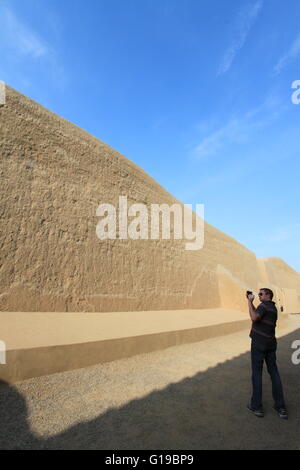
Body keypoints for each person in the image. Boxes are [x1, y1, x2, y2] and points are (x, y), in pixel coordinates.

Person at [246, 288, 288, 419]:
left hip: (259, 343)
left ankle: (256, 406)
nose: (259, 296)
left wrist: (248, 302)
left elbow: (254, 317)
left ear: (268, 295)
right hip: (270, 344)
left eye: (261, 294)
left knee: (257, 374)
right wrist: (252, 302)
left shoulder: (264, 306)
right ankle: (280, 407)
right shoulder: (272, 308)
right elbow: (257, 314)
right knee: (274, 373)